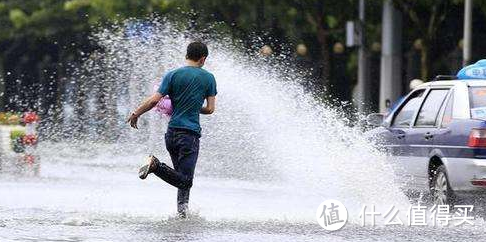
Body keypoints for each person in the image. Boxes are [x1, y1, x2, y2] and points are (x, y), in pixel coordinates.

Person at [127, 41, 217, 218]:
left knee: (180, 178)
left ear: (186, 55)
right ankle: (155, 165)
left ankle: (182, 214)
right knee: (186, 181)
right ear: (203, 59)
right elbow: (210, 109)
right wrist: (193, 105)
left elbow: (154, 101)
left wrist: (136, 113)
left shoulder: (172, 75)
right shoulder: (208, 78)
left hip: (171, 134)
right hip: (189, 135)